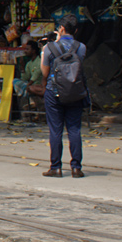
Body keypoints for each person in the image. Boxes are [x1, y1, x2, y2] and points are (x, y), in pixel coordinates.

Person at [40, 15, 88, 177]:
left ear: (61, 29)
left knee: (55, 130)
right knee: (74, 129)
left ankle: (56, 167)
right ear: (75, 30)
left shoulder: (49, 48)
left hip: (54, 93)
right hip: (75, 93)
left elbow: (45, 72)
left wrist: (45, 52)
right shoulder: (81, 47)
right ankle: (76, 167)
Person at [11, 40, 43, 113]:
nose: (25, 51)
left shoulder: (39, 60)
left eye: (27, 49)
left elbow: (37, 73)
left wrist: (29, 83)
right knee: (15, 80)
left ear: (33, 51)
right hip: (30, 84)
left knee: (26, 87)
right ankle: (26, 91)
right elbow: (25, 78)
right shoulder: (29, 63)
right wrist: (22, 67)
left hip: (38, 84)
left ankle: (26, 93)